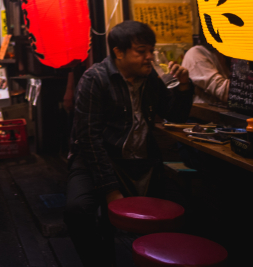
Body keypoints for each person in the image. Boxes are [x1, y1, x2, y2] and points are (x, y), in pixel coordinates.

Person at [65, 21, 193, 267]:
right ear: (118, 52)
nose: (149, 57)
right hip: (97, 160)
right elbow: (88, 139)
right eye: (142, 51)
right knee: (77, 210)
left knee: (184, 209)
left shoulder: (151, 78)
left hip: (141, 162)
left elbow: (175, 115)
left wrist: (184, 86)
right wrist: (110, 189)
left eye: (151, 51)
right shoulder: (96, 79)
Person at [182, 40, 231, 106]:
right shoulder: (196, 53)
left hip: (225, 112)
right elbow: (224, 92)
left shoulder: (222, 54)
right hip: (204, 114)